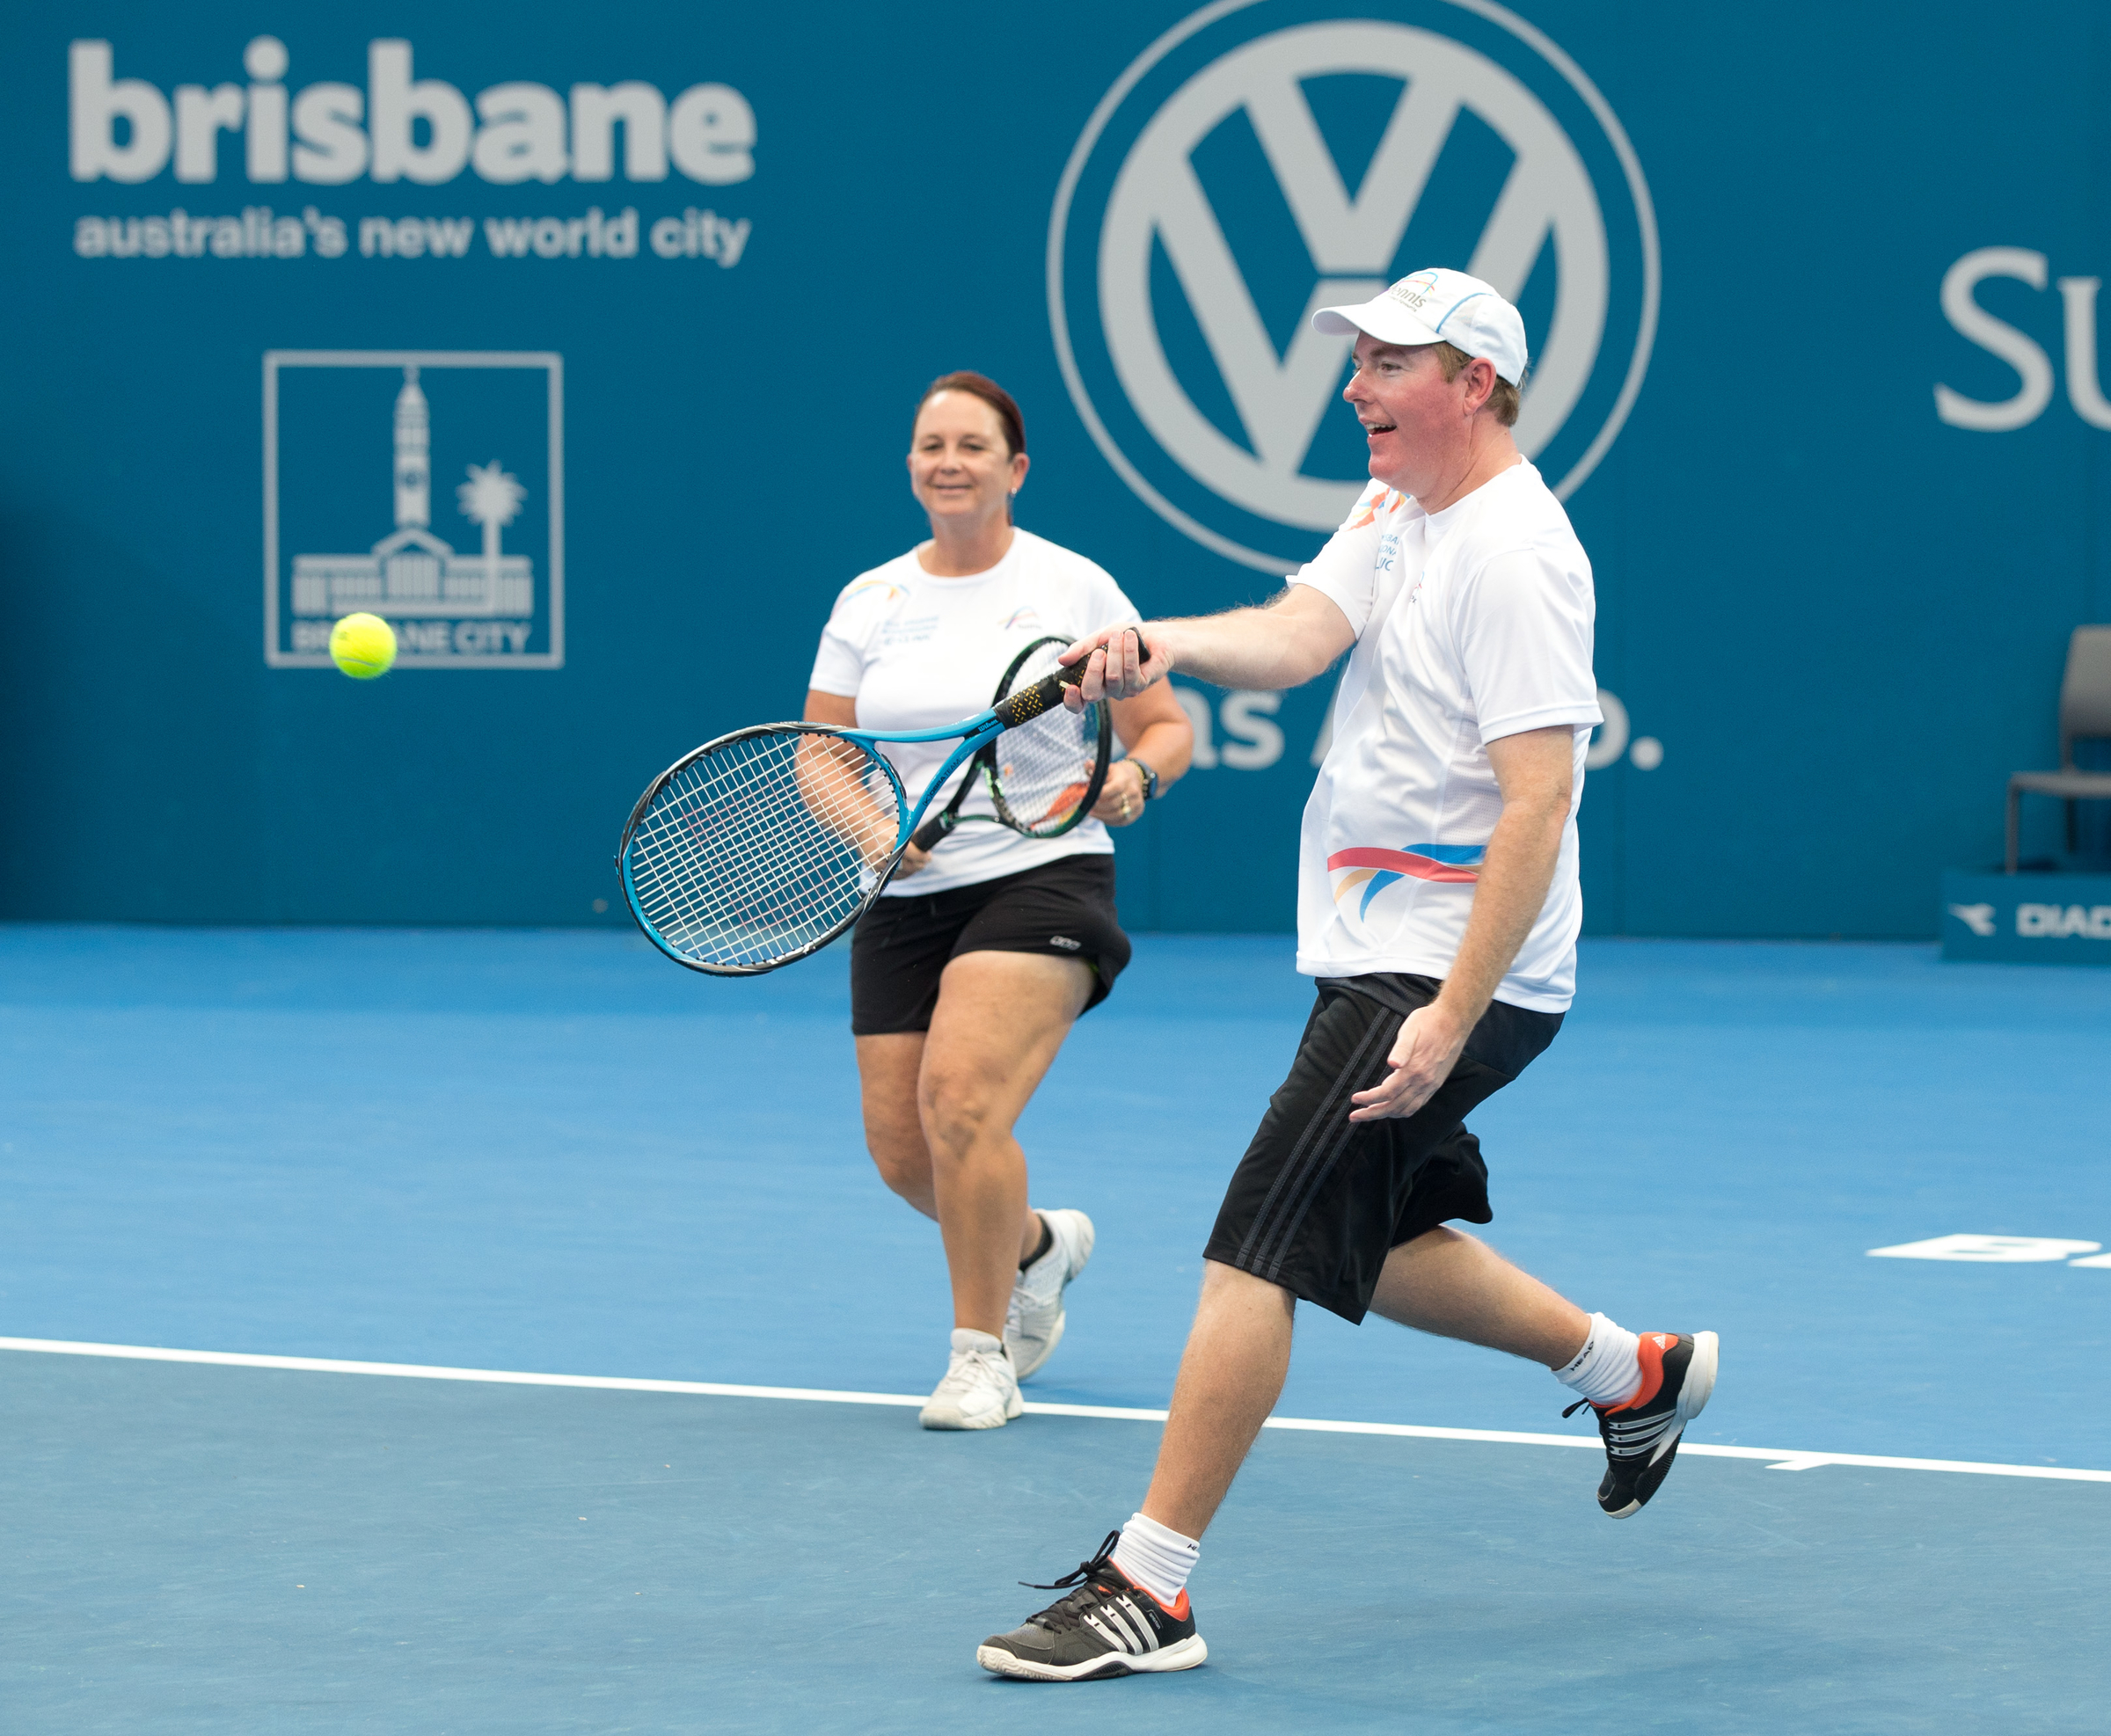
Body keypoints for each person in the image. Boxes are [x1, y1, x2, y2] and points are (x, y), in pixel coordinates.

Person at [975, 271, 1717, 1679]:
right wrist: (1164, 643)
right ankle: (1636, 1373)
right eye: (1357, 356)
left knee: (1256, 1238)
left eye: (1386, 362)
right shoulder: (1398, 508)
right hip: (1379, 945)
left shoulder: (1518, 554)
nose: (1353, 386)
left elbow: (1541, 804)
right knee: (1368, 1239)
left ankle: (1152, 1585)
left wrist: (1448, 1016)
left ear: (1475, 384)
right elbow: (1304, 634)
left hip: (1445, 966)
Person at [806, 371, 1193, 1433]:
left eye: (972, 445)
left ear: (1014, 468)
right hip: (903, 890)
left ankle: (982, 1357)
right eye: (931, 445)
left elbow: (1168, 725)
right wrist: (880, 837)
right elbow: (822, 758)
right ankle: (1036, 1246)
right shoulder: (869, 600)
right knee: (904, 1152)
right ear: (912, 468)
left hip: (1044, 871)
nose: (949, 462)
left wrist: (1138, 777)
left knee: (962, 1101)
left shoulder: (1074, 588)